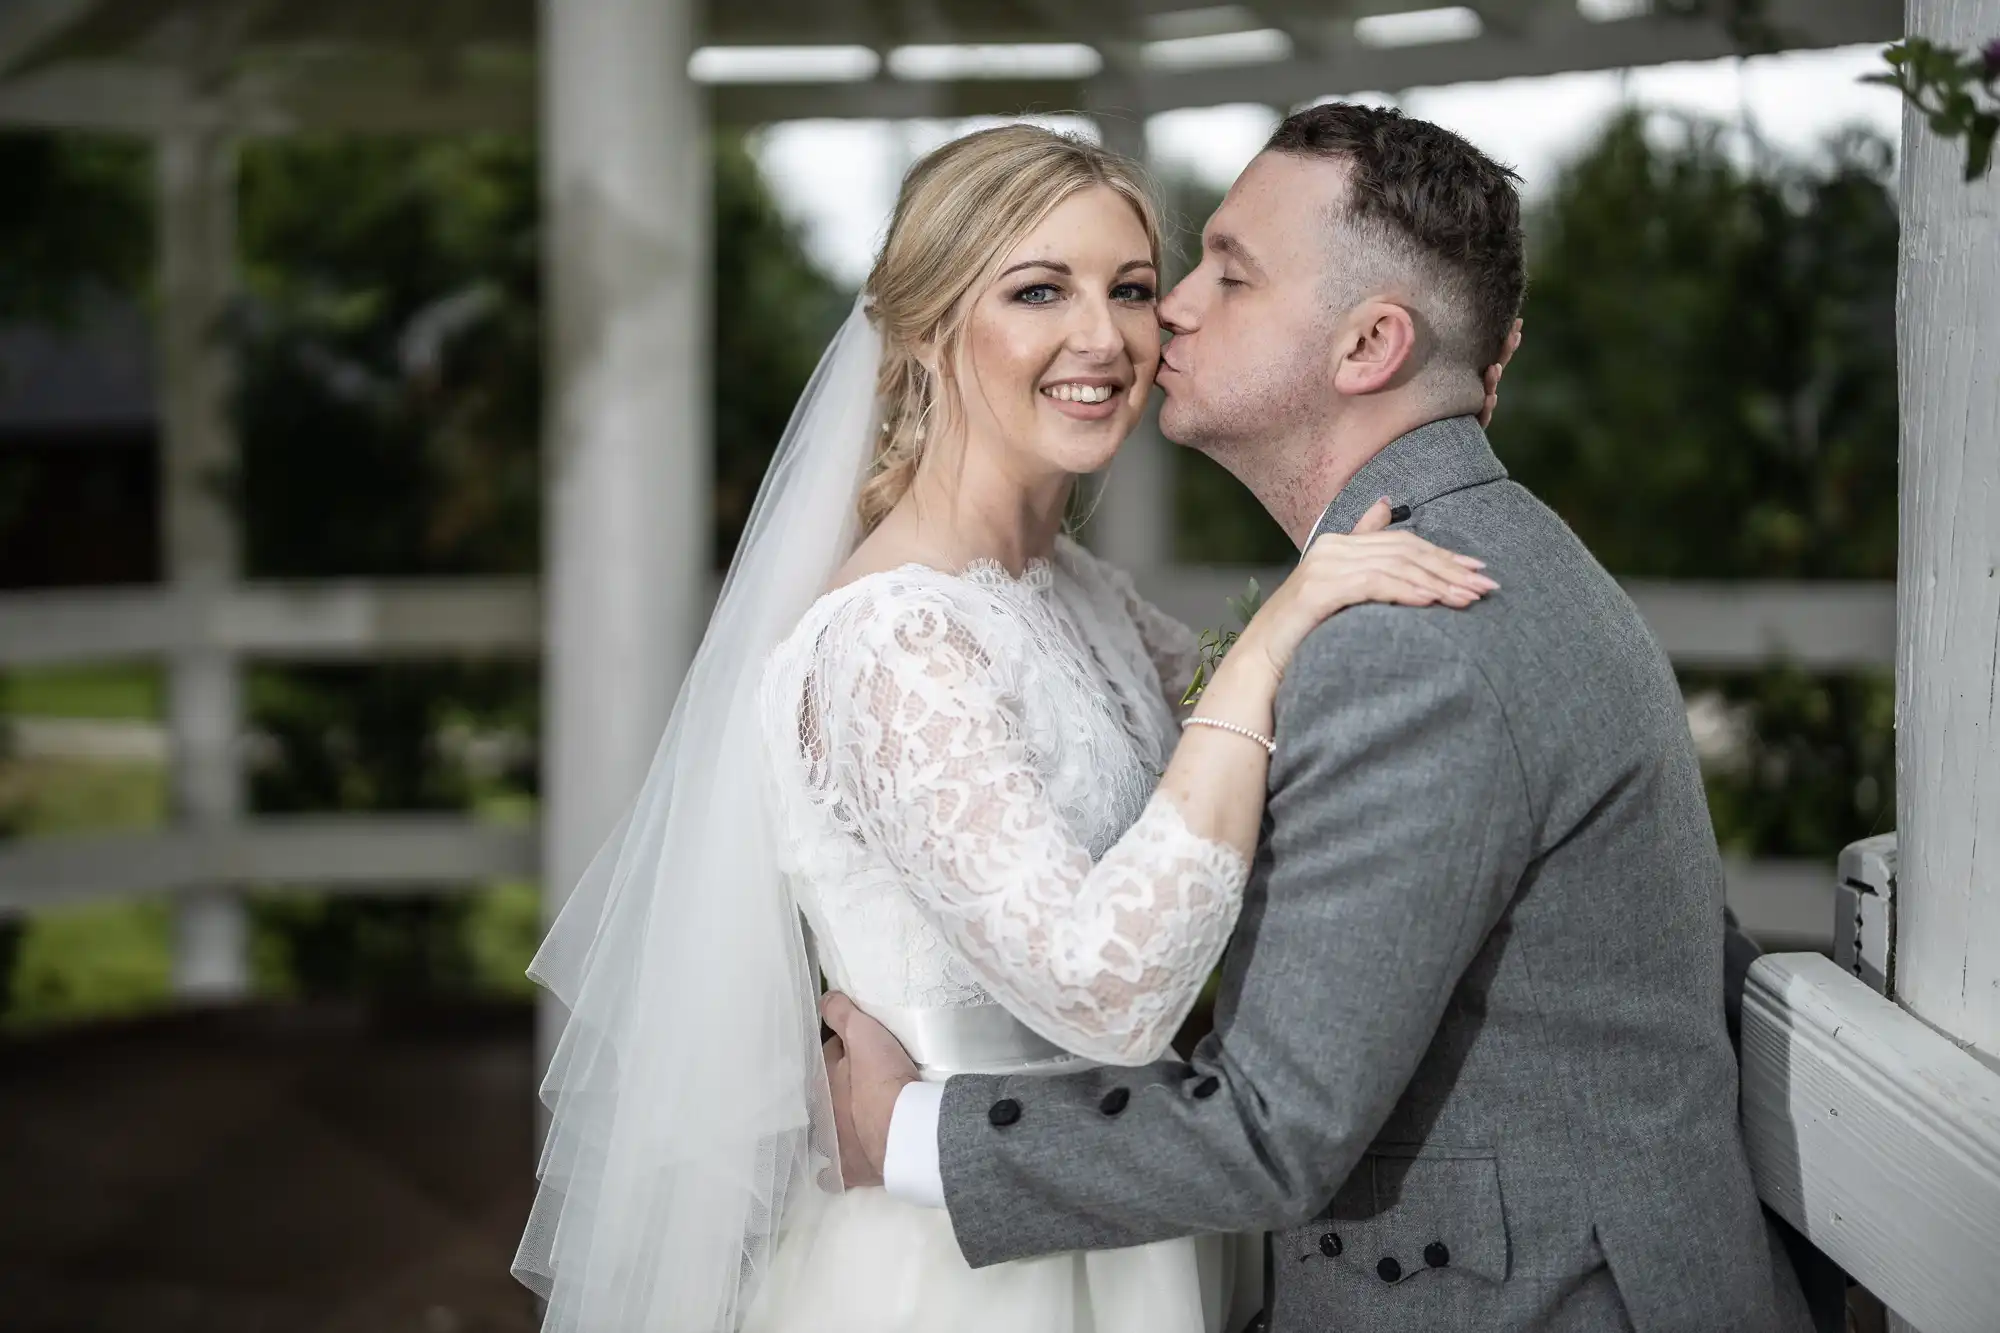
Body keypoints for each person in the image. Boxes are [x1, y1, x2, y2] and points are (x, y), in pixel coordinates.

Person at [822, 104, 1818, 1333]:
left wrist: (898, 1128)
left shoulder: (1410, 632)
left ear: (1366, 347)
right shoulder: (1474, 557)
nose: (1166, 311)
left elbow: (1271, 1126)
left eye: (1223, 274)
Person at [511, 122, 1496, 1333]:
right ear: (925, 334)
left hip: (1125, 1211)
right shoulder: (890, 639)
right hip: (965, 1266)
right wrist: (1271, 638)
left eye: (1131, 290)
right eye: (1039, 290)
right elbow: (1107, 996)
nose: (1104, 337)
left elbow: (1252, 827)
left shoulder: (1074, 589)